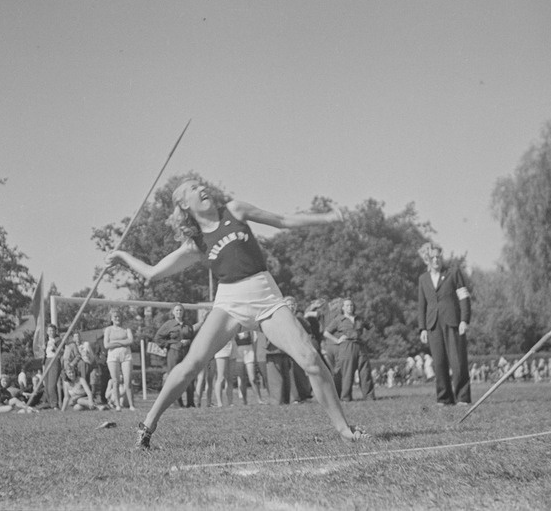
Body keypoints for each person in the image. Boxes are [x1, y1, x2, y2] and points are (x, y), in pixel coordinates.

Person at [105, 178, 369, 448]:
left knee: (311, 360)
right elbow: (152, 273)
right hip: (230, 302)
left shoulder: (235, 210)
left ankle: (344, 429)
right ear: (184, 204)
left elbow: (282, 220)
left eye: (201, 185)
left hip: (266, 296)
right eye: (193, 188)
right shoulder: (196, 244)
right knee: (190, 366)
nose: (202, 188)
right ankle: (147, 426)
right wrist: (122, 257)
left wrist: (326, 218)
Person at [417, 241, 472, 406]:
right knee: (439, 362)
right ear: (427, 260)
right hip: (433, 324)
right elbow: (421, 305)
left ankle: (462, 397)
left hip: (453, 321)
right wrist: (422, 328)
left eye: (438, 257)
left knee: (457, 361)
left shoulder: (453, 273)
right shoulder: (423, 279)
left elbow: (464, 297)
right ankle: (444, 398)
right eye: (432, 258)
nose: (436, 260)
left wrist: (464, 320)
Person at [322, 298, 376, 401]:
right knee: (347, 373)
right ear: (343, 307)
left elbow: (371, 327)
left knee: (365, 372)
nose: (350, 307)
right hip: (346, 346)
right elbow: (326, 332)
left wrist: (366, 338)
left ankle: (369, 396)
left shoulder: (359, 318)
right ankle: (346, 397)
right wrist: (337, 340)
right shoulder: (339, 319)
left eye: (351, 305)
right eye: (347, 305)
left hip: (360, 346)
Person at [154, 303, 196, 407]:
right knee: (174, 377)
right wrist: (170, 344)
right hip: (174, 353)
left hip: (186, 353)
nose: (179, 312)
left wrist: (189, 341)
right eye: (177, 310)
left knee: (189, 376)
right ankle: (177, 402)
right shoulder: (169, 324)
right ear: (173, 312)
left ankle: (190, 402)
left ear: (183, 312)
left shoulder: (188, 324)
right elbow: (158, 338)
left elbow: (194, 338)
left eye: (181, 310)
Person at [103, 309, 136, 411]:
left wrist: (115, 343)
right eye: (115, 317)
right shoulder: (108, 330)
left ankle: (131, 405)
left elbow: (130, 341)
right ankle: (117, 405)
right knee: (115, 381)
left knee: (127, 381)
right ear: (111, 318)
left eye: (119, 316)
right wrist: (122, 342)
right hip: (113, 357)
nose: (117, 318)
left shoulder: (126, 329)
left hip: (126, 356)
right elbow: (107, 345)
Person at [283, 297, 313, 403]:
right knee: (291, 374)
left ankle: (304, 395)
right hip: (287, 350)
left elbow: (308, 333)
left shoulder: (300, 319)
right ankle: (295, 398)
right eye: (288, 305)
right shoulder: (282, 319)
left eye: (292, 304)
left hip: (299, 349)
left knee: (300, 373)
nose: (291, 307)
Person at [234, 326, 264, 405]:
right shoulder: (235, 329)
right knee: (242, 377)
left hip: (249, 349)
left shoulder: (249, 329)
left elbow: (254, 341)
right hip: (238, 351)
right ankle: (244, 400)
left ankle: (259, 399)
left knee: (252, 378)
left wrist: (254, 354)